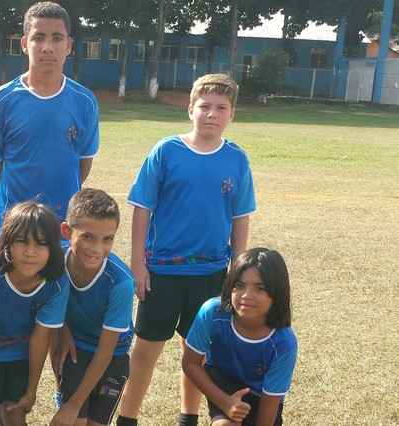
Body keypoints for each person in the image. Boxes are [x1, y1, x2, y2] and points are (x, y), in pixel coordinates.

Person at [117, 73, 256, 426]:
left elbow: (240, 218)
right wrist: (138, 263)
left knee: (197, 354)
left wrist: (237, 271)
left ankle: (188, 418)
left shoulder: (236, 159)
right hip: (161, 272)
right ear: (189, 109)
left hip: (211, 274)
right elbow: (142, 208)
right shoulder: (166, 151)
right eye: (204, 106)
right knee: (146, 349)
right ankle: (127, 418)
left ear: (231, 115)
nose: (211, 114)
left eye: (220, 108)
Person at [0, 1, 100, 244]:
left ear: (68, 46)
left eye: (57, 38)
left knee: (58, 283)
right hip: (12, 225)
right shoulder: (2, 100)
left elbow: (82, 163)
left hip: (62, 229)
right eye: (38, 38)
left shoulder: (85, 101)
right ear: (25, 44)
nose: (47, 47)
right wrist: (14, 210)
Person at [0, 201, 69, 426]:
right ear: (6, 242)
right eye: (22, 241)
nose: (30, 252)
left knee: (15, 415)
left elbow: (40, 338)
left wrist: (32, 390)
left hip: (22, 356)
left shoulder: (57, 283)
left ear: (53, 247)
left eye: (41, 244)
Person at [182, 248, 298, 426]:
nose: (246, 296)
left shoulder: (284, 343)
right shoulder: (213, 312)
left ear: (277, 293)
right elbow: (190, 363)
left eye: (260, 288)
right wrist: (224, 402)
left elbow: (269, 402)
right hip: (222, 382)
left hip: (262, 399)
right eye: (239, 285)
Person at [50, 188, 135, 426]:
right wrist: (64, 330)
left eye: (107, 239)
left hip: (112, 356)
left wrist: (74, 404)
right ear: (67, 231)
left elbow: (106, 351)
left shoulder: (121, 282)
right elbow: (48, 306)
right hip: (76, 348)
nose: (97, 249)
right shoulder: (54, 263)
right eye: (88, 237)